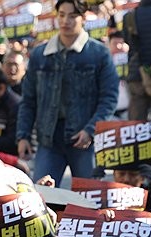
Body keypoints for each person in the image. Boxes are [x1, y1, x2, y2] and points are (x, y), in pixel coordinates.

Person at [16, 0, 118, 185]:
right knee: (42, 198)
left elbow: (109, 99)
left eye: (72, 16)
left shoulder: (99, 54)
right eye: (62, 15)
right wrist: (23, 135)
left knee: (89, 200)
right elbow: (28, 100)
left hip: (84, 139)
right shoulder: (40, 54)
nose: (66, 21)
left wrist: (91, 129)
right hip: (49, 138)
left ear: (84, 18)